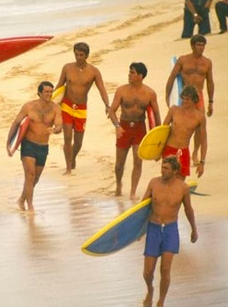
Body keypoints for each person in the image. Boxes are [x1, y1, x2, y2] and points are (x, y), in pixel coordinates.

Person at [141, 156, 198, 307]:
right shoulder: (154, 183)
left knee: (165, 269)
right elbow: (141, 208)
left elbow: (188, 210)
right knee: (147, 272)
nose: (162, 171)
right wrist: (138, 232)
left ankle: (160, 302)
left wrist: (194, 229)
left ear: (174, 171)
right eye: (162, 167)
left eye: (166, 168)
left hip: (170, 230)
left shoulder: (183, 188)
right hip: (153, 228)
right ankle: (150, 290)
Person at [54, 42, 111, 174]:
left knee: (78, 142)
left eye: (81, 55)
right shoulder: (67, 68)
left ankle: (72, 157)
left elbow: (102, 89)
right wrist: (52, 103)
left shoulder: (94, 72)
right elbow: (59, 86)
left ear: (86, 55)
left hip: (81, 108)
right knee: (67, 137)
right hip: (66, 105)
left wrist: (107, 105)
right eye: (76, 54)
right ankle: (68, 168)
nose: (78, 57)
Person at [7, 81, 63, 212]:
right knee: (30, 175)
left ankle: (21, 199)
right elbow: (16, 123)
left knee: (35, 178)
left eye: (51, 92)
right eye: (46, 92)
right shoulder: (29, 107)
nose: (49, 94)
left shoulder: (55, 108)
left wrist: (56, 130)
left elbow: (59, 125)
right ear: (39, 93)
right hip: (28, 144)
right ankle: (30, 205)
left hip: (43, 147)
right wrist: (9, 143)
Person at [107, 62, 160, 199]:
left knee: (138, 161)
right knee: (119, 163)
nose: (129, 75)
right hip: (123, 127)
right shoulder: (121, 90)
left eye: (132, 73)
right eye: (129, 72)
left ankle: (132, 192)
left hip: (139, 128)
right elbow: (111, 110)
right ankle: (119, 184)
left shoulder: (150, 93)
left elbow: (156, 114)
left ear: (140, 76)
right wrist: (117, 126)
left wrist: (158, 135)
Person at [165, 34, 214, 165]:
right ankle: (173, 149)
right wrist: (167, 95)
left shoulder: (207, 63)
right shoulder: (183, 60)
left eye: (203, 45)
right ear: (192, 46)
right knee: (177, 123)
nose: (201, 48)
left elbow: (210, 82)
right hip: (184, 95)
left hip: (198, 96)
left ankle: (195, 153)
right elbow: (172, 77)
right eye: (198, 45)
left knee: (199, 126)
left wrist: (211, 102)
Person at [161, 85, 207, 180]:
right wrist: (157, 151)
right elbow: (162, 131)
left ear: (194, 100)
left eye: (187, 99)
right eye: (183, 98)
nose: (184, 101)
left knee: (179, 184)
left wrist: (202, 163)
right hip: (169, 149)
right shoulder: (174, 110)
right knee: (167, 180)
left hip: (183, 151)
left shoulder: (199, 117)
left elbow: (203, 141)